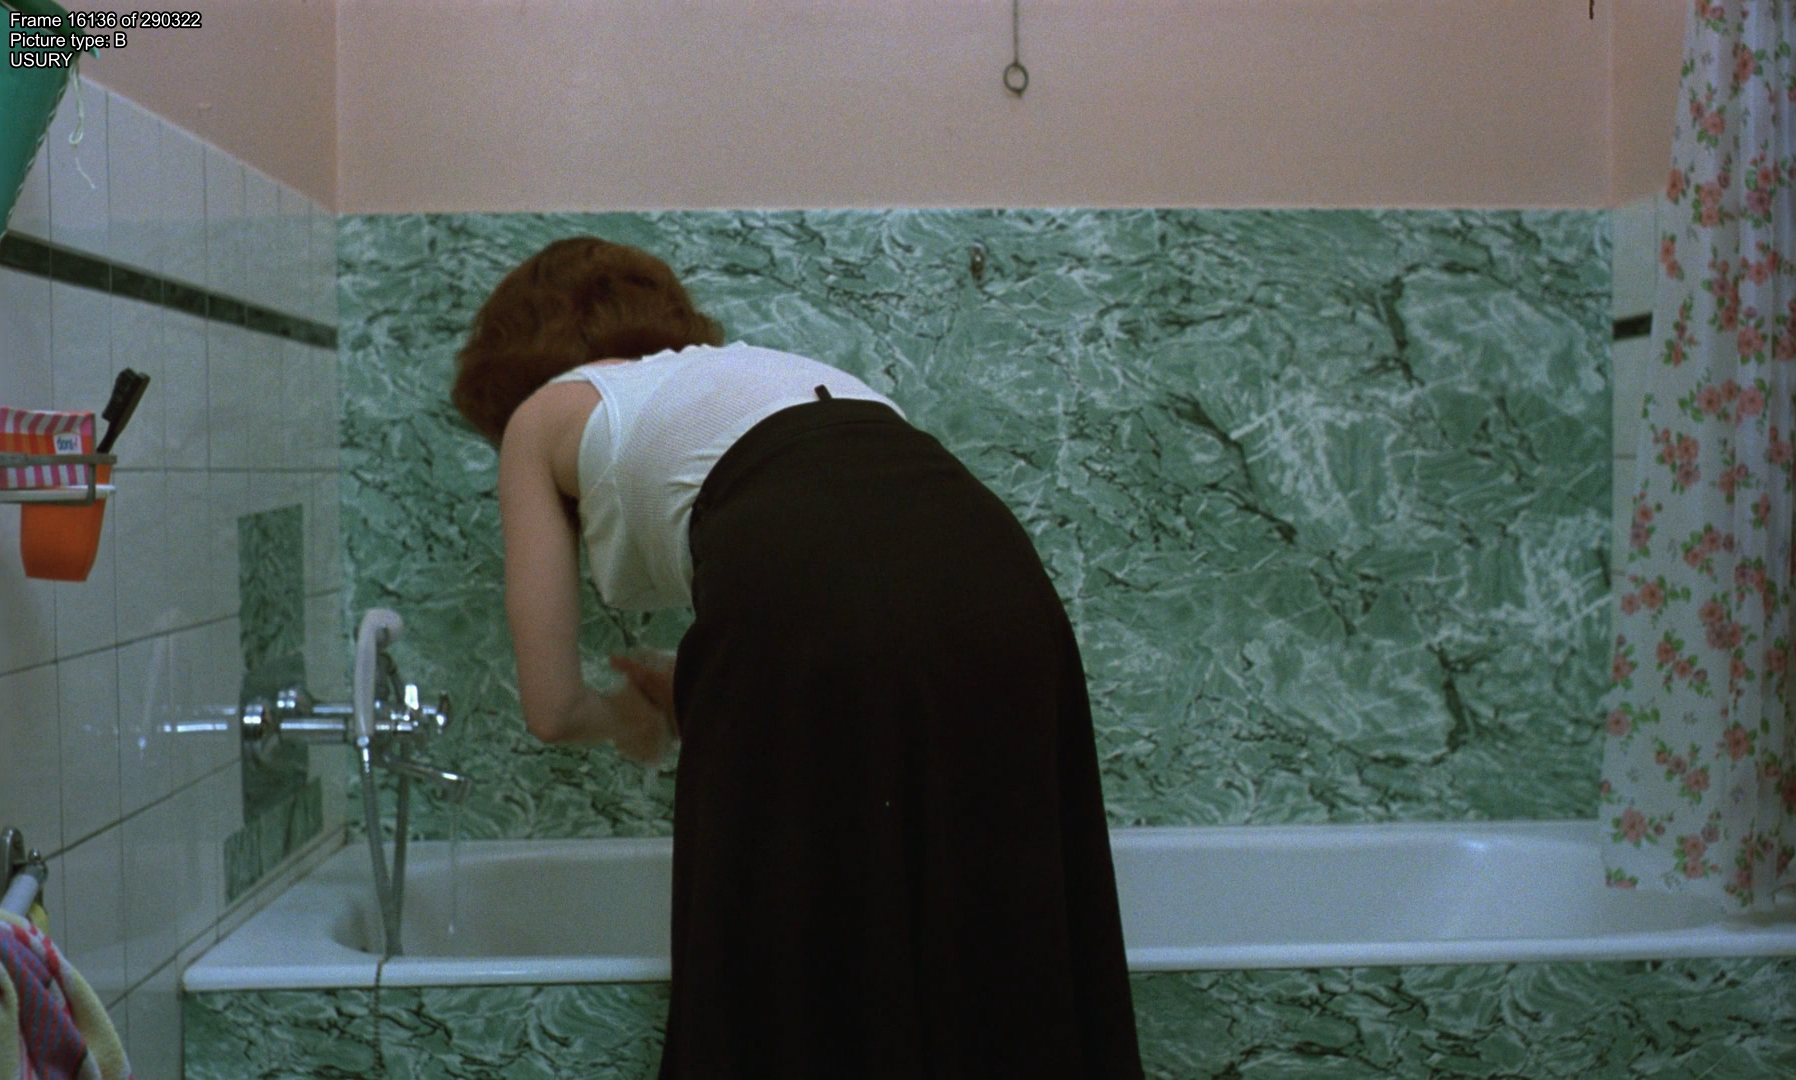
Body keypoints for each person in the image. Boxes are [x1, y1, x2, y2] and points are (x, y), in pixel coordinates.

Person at [452, 236, 1144, 1079]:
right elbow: (872, 575)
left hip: (803, 592)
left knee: (781, 975)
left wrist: (627, 717)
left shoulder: (543, 414)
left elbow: (553, 707)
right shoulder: (769, 372)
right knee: (996, 934)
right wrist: (698, 689)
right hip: (1000, 580)